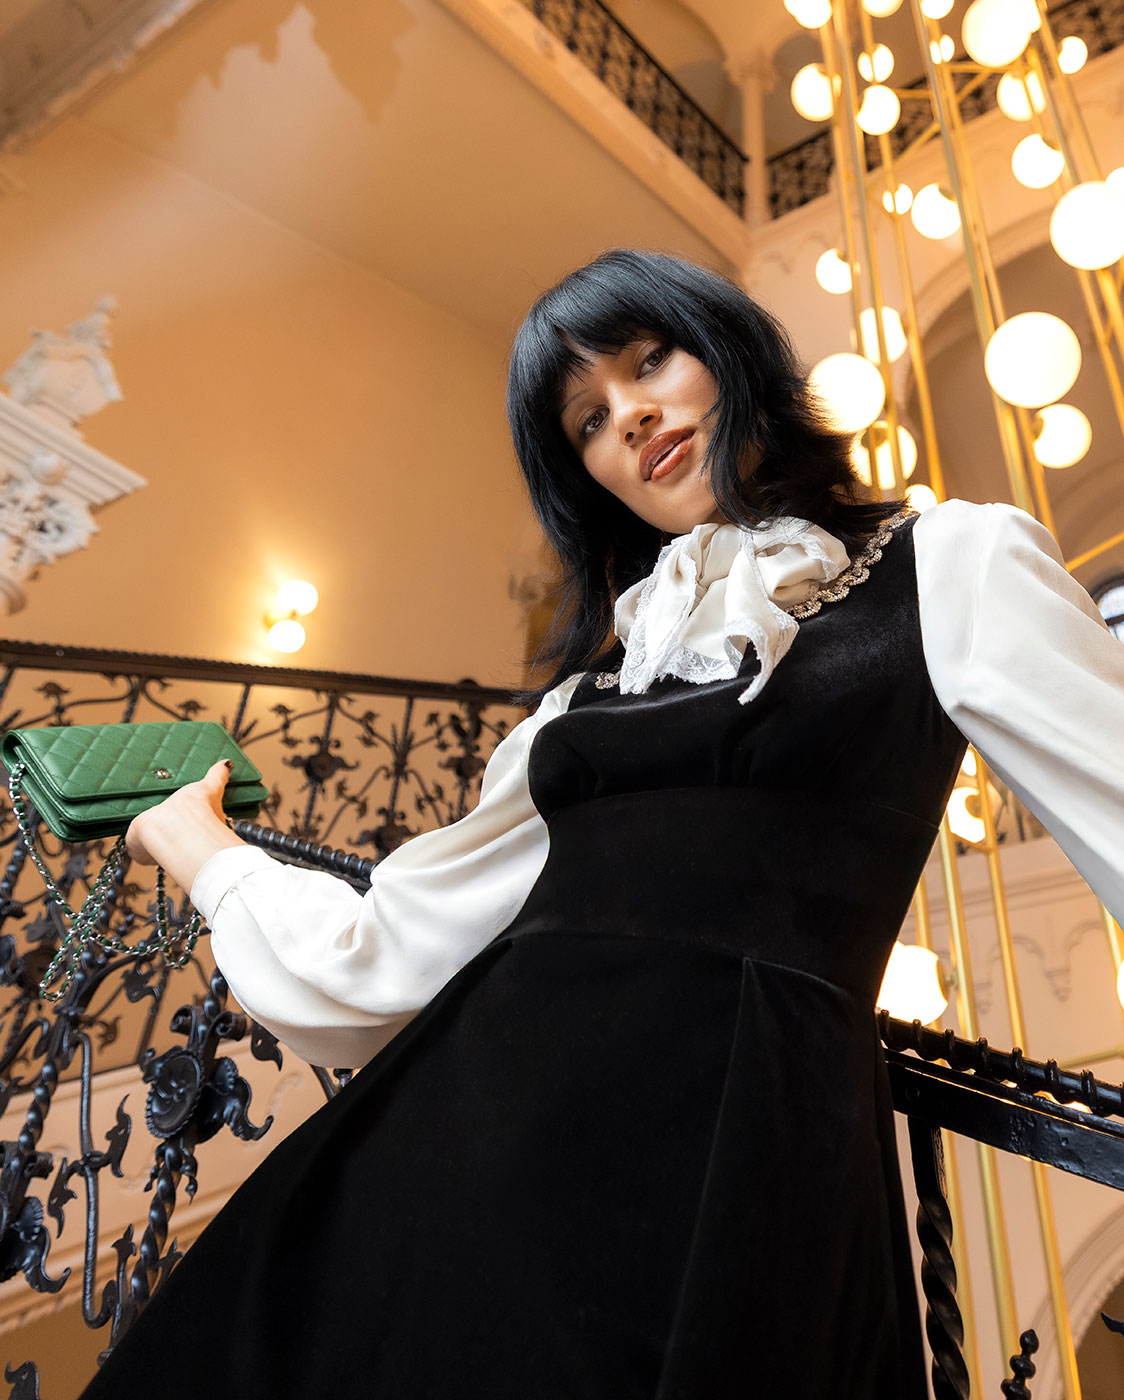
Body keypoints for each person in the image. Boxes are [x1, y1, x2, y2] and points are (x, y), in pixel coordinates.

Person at [80, 250, 1124, 1399]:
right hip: (468, 1147)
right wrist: (199, 847)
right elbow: (385, 953)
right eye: (585, 418)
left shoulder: (952, 559)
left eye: (648, 361)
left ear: (729, 353)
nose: (628, 415)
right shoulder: (579, 706)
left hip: (741, 1153)